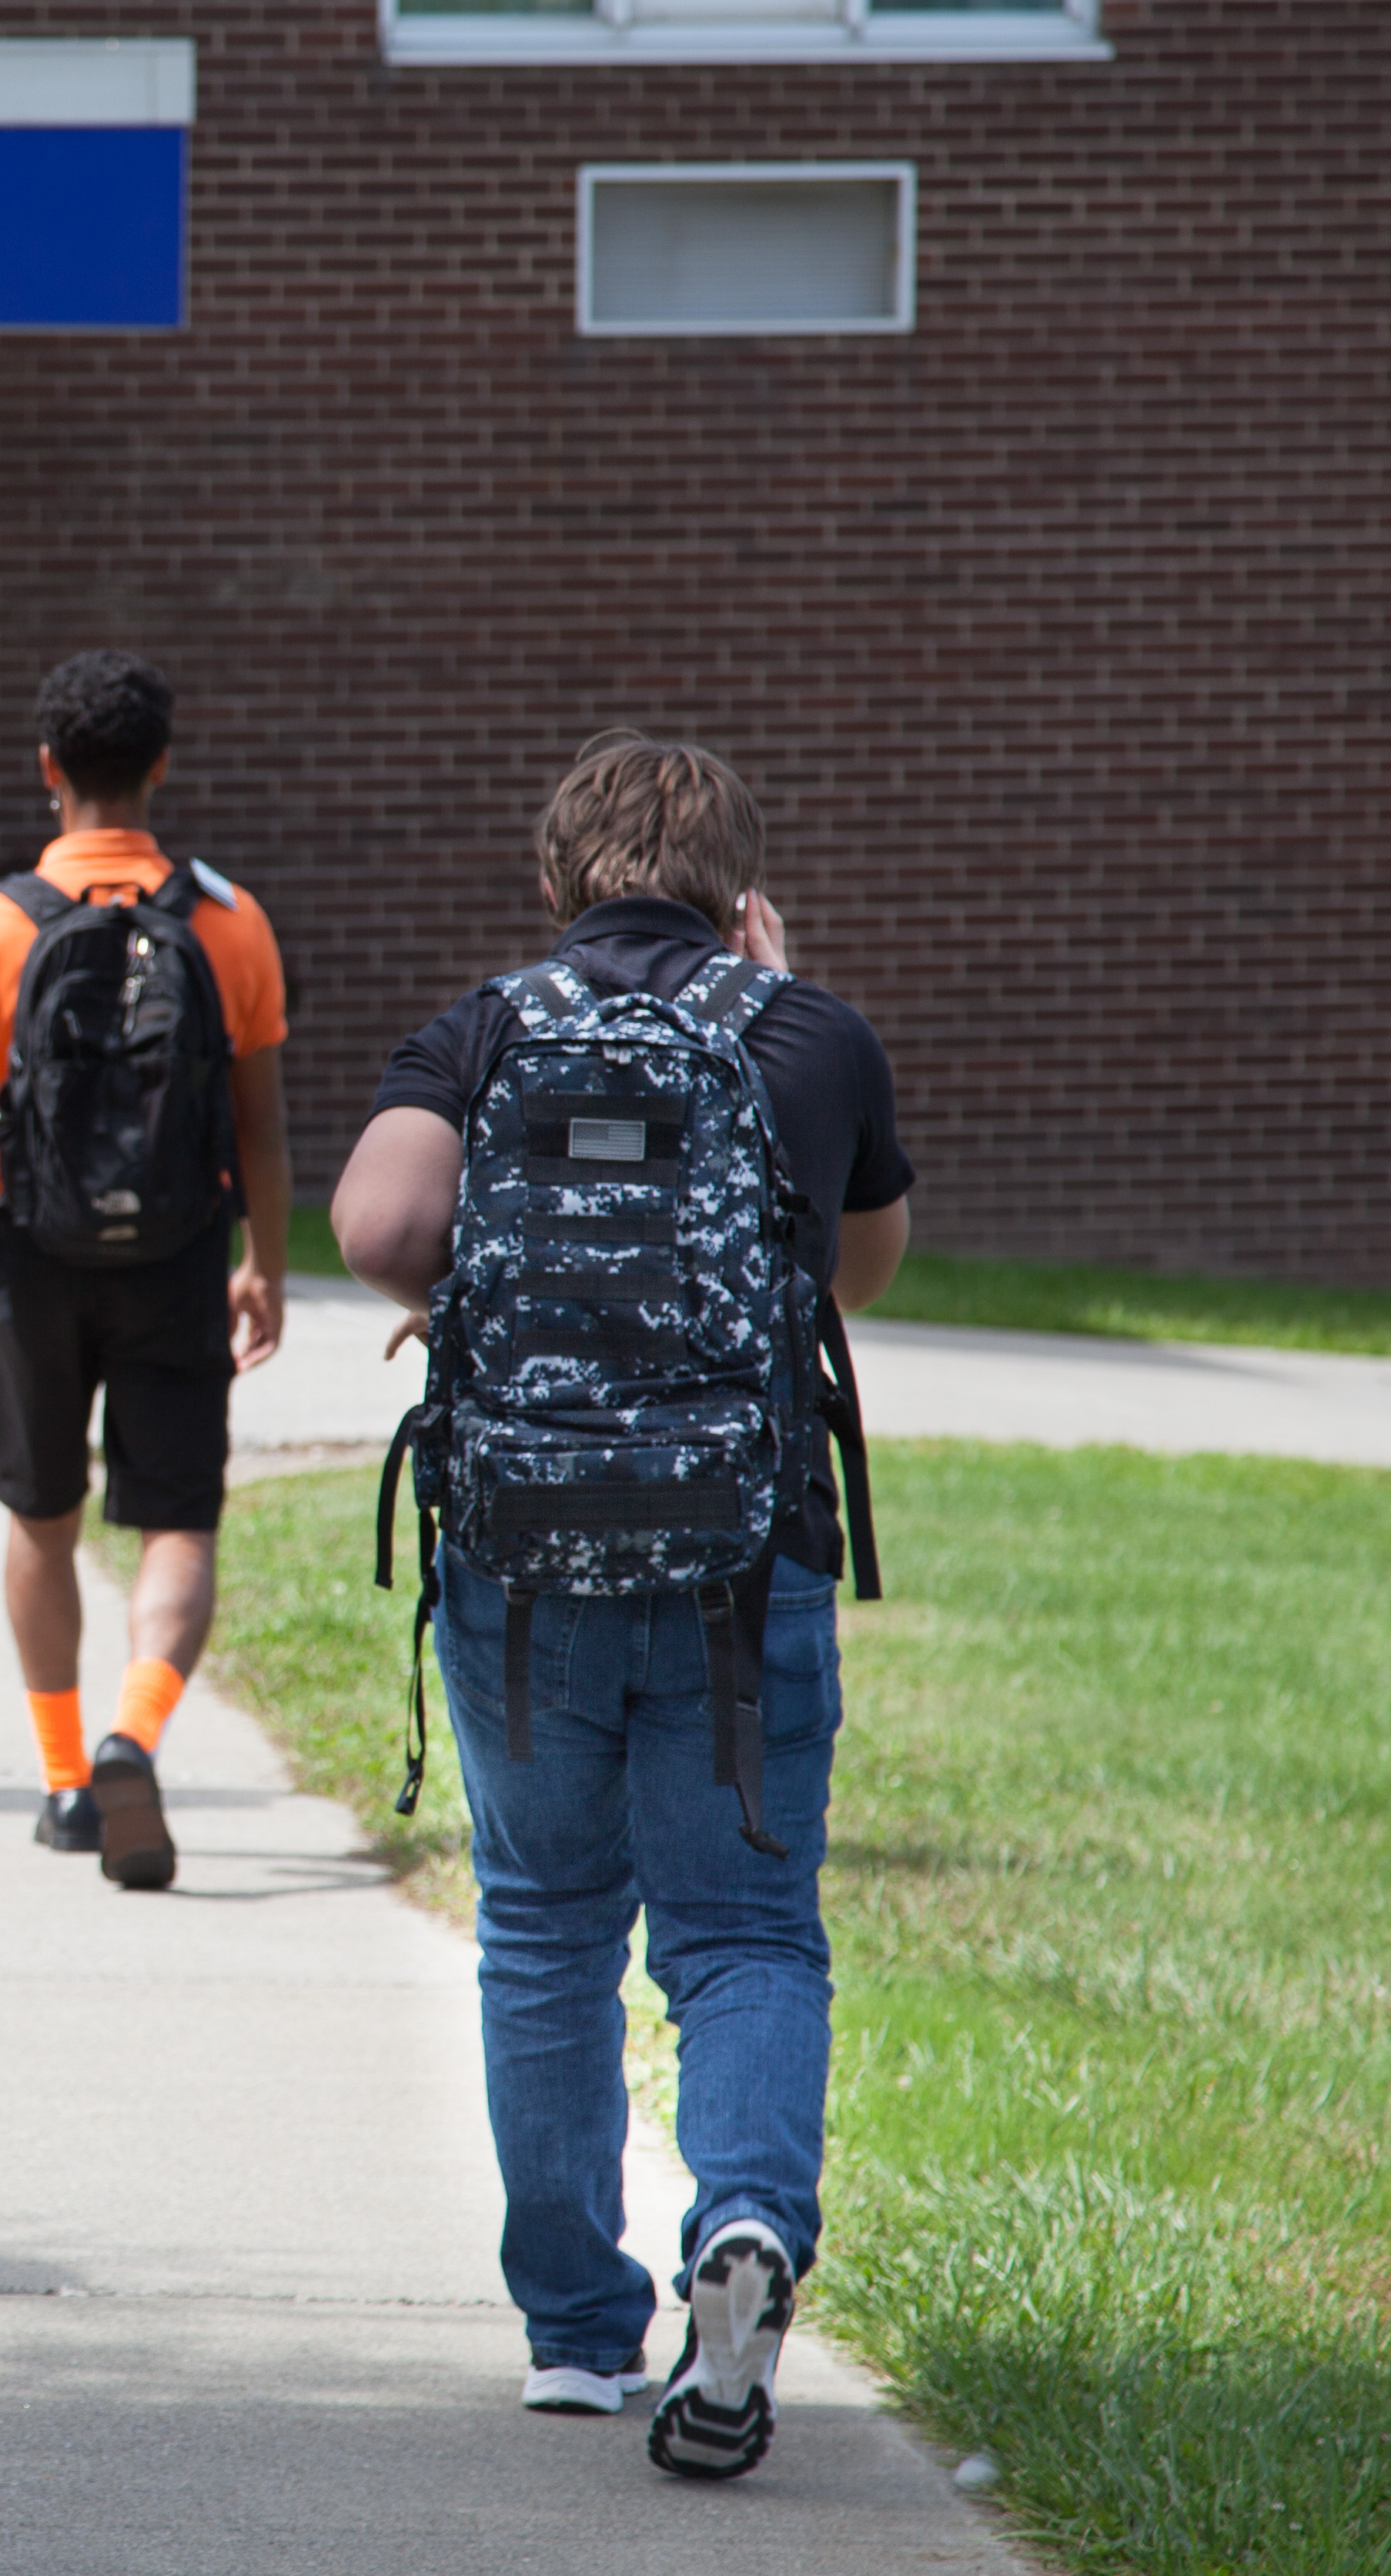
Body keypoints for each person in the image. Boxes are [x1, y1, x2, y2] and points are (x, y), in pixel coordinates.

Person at [327, 730, 911, 2473]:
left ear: (558, 878)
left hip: (522, 1560)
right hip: (746, 1565)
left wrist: (486, 1281)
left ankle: (581, 2333)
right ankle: (743, 2229)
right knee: (737, 1936)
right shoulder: (808, 1034)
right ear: (740, 893)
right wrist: (784, 1018)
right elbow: (856, 1269)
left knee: (546, 1931)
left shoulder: (488, 1025)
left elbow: (372, 1231)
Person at [0, 650, 292, 1892]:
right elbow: (258, 1126)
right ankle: (132, 1735)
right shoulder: (228, 921)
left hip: (30, 1259)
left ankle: (64, 1786)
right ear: (160, 766)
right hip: (181, 1256)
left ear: (48, 771)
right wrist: (266, 1266)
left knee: (42, 1520)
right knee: (179, 1523)